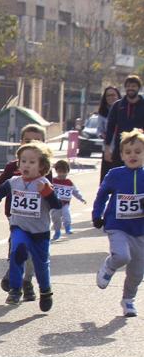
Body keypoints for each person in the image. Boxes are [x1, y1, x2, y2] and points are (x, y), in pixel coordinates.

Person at [0, 141, 61, 311]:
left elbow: (56, 205)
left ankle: (45, 291)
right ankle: (15, 289)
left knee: (40, 264)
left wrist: (47, 193)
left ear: (42, 166)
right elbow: (1, 191)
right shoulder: (14, 181)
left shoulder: (44, 184)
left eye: (32, 162)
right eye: (23, 161)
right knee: (17, 251)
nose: (26, 165)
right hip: (19, 227)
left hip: (39, 232)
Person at [0, 123, 48, 299]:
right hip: (15, 215)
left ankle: (27, 281)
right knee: (17, 246)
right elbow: (1, 184)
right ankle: (13, 271)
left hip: (37, 220)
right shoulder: (13, 166)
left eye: (37, 141)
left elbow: (51, 193)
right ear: (20, 142)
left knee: (32, 253)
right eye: (28, 140)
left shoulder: (45, 170)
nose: (32, 144)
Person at [93, 127, 144, 317]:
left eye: (138, 152)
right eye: (128, 152)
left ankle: (128, 300)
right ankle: (109, 266)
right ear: (121, 155)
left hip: (140, 230)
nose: (133, 155)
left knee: (137, 271)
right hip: (117, 226)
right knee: (122, 256)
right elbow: (101, 195)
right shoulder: (115, 174)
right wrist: (97, 214)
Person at [103, 75, 144, 174]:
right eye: (128, 86)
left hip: (140, 149)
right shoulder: (117, 105)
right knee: (119, 177)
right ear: (125, 88)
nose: (130, 88)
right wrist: (107, 149)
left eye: (133, 86)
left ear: (138, 88)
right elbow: (110, 128)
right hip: (120, 150)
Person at [49, 159, 87, 240]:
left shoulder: (69, 182)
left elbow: (75, 191)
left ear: (67, 172)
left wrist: (81, 198)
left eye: (64, 172)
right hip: (55, 204)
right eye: (60, 172)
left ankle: (67, 227)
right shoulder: (53, 181)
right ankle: (57, 232)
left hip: (65, 204)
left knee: (66, 215)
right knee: (56, 219)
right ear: (56, 171)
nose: (62, 174)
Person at [97, 85, 121, 181]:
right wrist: (102, 134)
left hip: (121, 148)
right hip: (108, 148)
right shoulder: (102, 112)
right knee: (107, 176)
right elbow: (99, 130)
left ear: (118, 96)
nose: (111, 97)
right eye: (108, 95)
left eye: (113, 95)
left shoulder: (123, 109)